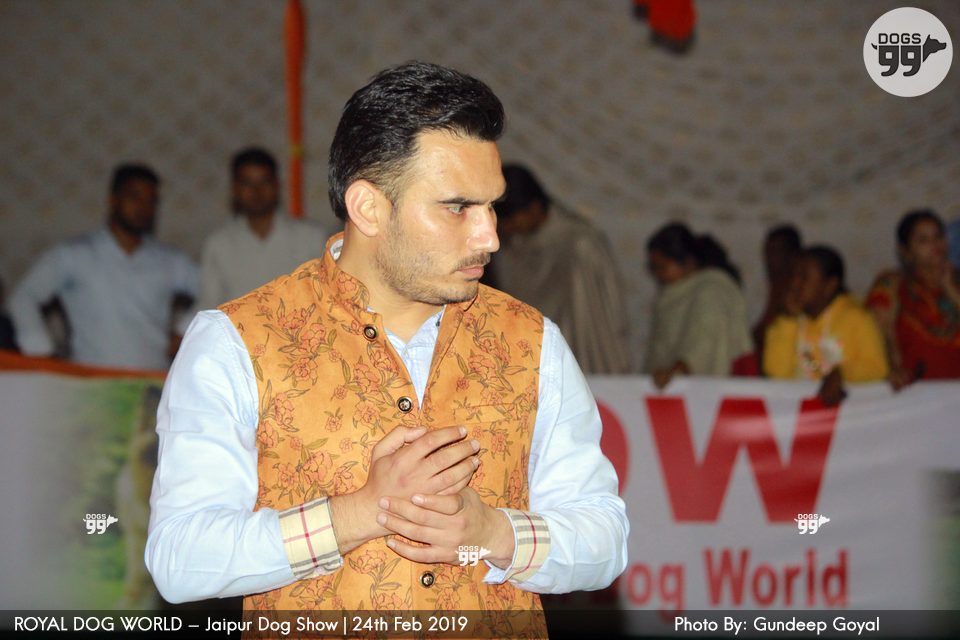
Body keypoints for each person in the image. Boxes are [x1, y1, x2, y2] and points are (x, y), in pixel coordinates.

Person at [146, 62, 627, 633]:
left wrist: (495, 534)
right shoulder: (236, 341)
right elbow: (179, 558)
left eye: (492, 206)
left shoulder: (533, 340)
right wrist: (358, 513)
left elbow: (605, 540)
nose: (490, 236)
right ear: (369, 208)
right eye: (458, 207)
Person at [8, 164, 197, 370]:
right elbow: (23, 297)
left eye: (151, 200)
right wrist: (39, 351)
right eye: (134, 196)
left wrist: (185, 330)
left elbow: (214, 292)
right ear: (113, 199)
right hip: (91, 379)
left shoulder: (171, 261)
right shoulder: (74, 254)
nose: (143, 207)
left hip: (151, 377)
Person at [487, 164, 632, 374]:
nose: (507, 228)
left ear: (534, 208)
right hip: (535, 353)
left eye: (510, 220)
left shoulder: (580, 244)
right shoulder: (513, 244)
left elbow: (600, 313)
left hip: (581, 347)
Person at [194, 147, 333, 312]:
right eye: (247, 183)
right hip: (238, 329)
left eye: (264, 182)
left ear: (277, 185)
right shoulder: (218, 244)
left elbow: (327, 297)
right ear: (235, 189)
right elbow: (208, 304)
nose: (256, 191)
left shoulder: (311, 238)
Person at [764, 245, 888, 406]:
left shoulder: (857, 318)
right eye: (793, 275)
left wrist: (841, 374)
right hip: (801, 414)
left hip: (850, 414)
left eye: (804, 277)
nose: (794, 283)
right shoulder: (786, 321)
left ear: (829, 285)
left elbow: (878, 368)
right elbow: (776, 375)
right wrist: (788, 321)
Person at [644, 222, 752, 388]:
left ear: (689, 262)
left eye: (663, 267)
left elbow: (705, 343)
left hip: (711, 392)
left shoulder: (711, 290)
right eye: (654, 268)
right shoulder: (672, 295)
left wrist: (676, 371)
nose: (658, 274)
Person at [865, 209, 960, 387]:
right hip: (915, 391)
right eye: (923, 240)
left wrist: (951, 290)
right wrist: (891, 369)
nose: (935, 245)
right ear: (905, 251)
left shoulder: (956, 280)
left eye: (938, 236)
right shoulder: (891, 285)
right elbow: (872, 338)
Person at [752, 224, 803, 364]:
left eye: (775, 252)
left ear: (793, 255)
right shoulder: (777, 282)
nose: (768, 259)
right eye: (767, 252)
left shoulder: (796, 286)